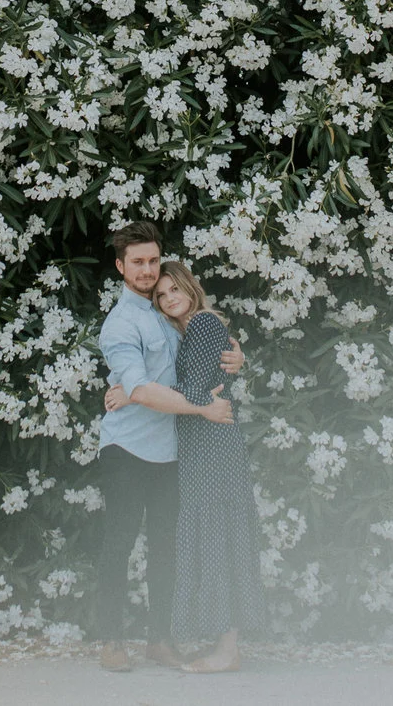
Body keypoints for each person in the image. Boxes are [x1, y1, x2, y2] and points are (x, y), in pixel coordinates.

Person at [91, 220, 242, 672]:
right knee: (119, 541)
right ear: (120, 266)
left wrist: (237, 354)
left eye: (153, 260)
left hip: (172, 450)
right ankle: (111, 640)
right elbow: (140, 388)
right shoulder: (120, 324)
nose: (147, 270)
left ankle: (159, 639)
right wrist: (199, 407)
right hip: (127, 447)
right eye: (137, 262)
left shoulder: (166, 307)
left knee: (166, 546)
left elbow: (201, 348)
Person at [133, 259, 268, 672]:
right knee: (214, 534)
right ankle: (224, 645)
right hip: (201, 442)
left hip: (214, 443)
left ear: (190, 288)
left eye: (175, 289)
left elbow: (194, 389)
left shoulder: (205, 325)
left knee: (218, 533)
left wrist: (136, 392)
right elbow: (198, 386)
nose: (169, 298)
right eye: (161, 295)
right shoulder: (190, 331)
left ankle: (228, 649)